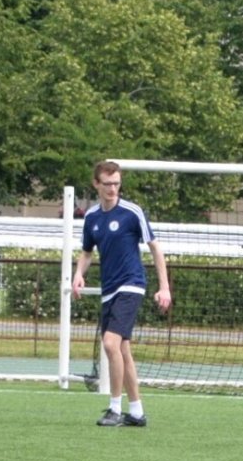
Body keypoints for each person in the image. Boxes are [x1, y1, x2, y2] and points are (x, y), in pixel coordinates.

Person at [72, 161, 172, 427]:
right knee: (123, 350)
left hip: (131, 285)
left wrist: (164, 287)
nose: (113, 188)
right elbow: (86, 252)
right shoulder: (92, 217)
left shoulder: (132, 212)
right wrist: (79, 273)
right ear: (96, 184)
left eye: (116, 183)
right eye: (107, 184)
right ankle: (137, 412)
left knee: (110, 344)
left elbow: (155, 248)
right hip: (109, 290)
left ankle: (115, 409)